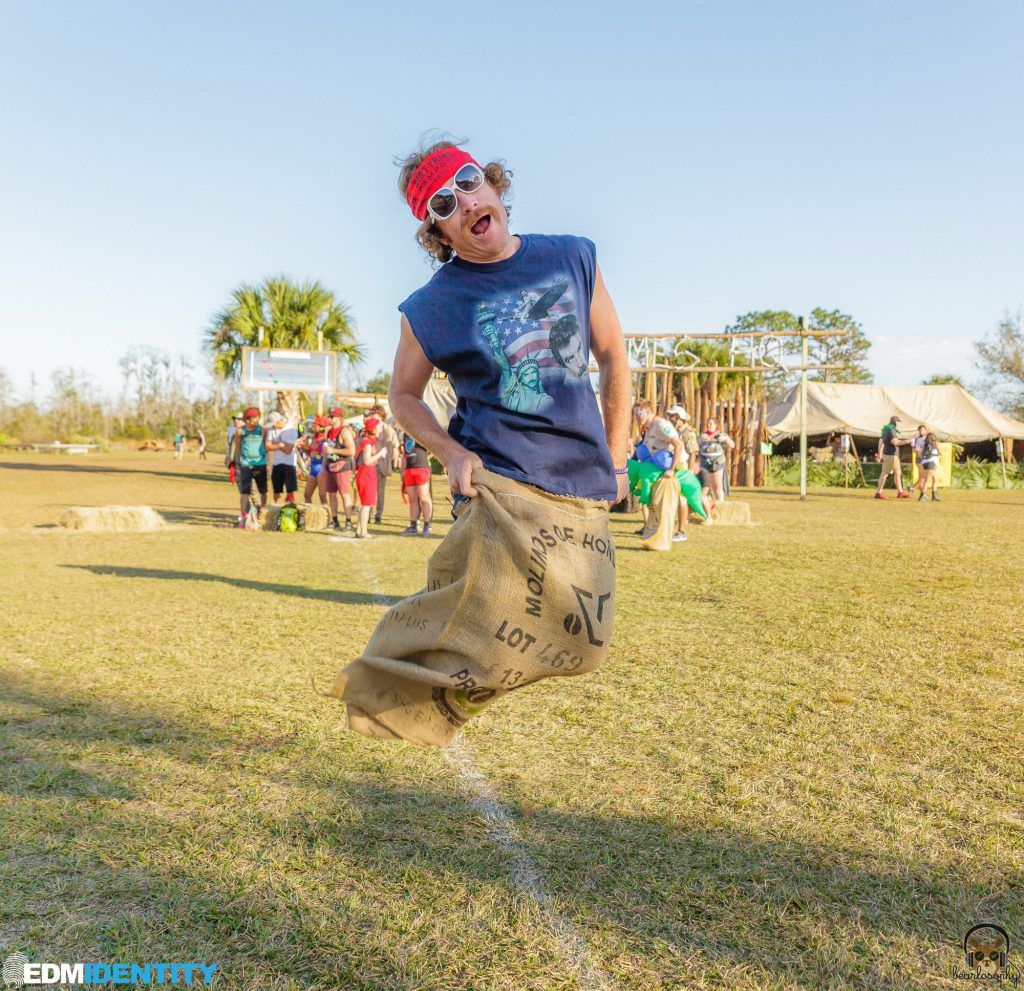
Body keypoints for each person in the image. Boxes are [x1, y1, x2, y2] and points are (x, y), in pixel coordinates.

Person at [334, 138, 629, 743]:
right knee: (478, 614)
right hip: (500, 483)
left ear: (493, 185)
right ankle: (384, 690)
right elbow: (404, 397)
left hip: (579, 484)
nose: (463, 202)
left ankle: (409, 691)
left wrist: (618, 456)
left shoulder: (573, 256)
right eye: (443, 203)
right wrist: (452, 452)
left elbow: (613, 355)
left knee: (587, 643)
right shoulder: (431, 306)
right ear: (438, 231)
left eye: (468, 183)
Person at [632, 401, 689, 541]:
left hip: (676, 465)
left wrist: (672, 469)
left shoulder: (660, 425)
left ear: (647, 412)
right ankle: (655, 529)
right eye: (635, 414)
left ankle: (681, 531)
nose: (636, 417)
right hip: (660, 468)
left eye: (639, 413)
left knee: (681, 499)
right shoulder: (648, 427)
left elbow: (678, 445)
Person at [229, 407, 268, 526]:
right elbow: (238, 445)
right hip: (246, 463)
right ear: (246, 419)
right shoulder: (240, 431)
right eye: (250, 419)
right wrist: (242, 458)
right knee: (244, 491)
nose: (253, 421)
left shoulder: (262, 430)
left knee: (263, 491)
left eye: (256, 418)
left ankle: (263, 511)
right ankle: (243, 514)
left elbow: (266, 445)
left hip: (260, 463)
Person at [322, 407, 356, 530]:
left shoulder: (344, 431)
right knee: (331, 494)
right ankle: (335, 520)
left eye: (332, 416)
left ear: (339, 417)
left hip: (342, 466)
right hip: (330, 466)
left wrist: (334, 450)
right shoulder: (329, 431)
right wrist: (323, 466)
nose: (330, 419)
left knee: (344, 494)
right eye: (329, 416)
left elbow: (351, 451)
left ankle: (348, 522)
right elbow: (326, 451)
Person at [354, 417, 388, 538]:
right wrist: (380, 454)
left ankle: (359, 530)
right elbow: (367, 460)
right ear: (372, 429)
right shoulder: (368, 442)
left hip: (364, 473)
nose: (379, 429)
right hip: (366, 473)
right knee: (366, 504)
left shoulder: (366, 440)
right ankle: (363, 532)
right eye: (377, 427)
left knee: (364, 504)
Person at [371, 406, 400, 525]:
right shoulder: (369, 428)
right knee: (370, 490)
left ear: (381, 415)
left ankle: (378, 515)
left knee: (380, 491)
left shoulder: (388, 429)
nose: (373, 416)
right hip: (371, 462)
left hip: (383, 464)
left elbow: (395, 445)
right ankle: (368, 513)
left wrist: (394, 460)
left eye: (375, 414)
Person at [698, 416, 735, 506]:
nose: (709, 425)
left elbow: (732, 445)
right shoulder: (703, 435)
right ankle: (710, 504)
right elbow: (696, 446)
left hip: (717, 461)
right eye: (707, 424)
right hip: (705, 462)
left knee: (717, 485)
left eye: (711, 423)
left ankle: (721, 505)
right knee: (708, 486)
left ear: (716, 425)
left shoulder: (721, 435)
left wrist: (726, 439)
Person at [401, 433, 433, 536]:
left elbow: (433, 446)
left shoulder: (420, 430)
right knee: (412, 499)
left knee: (424, 497)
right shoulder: (405, 434)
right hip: (409, 469)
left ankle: (427, 526)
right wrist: (402, 470)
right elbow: (405, 454)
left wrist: (426, 458)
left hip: (421, 467)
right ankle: (413, 525)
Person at [266, 411, 299, 504]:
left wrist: (275, 444)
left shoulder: (291, 430)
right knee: (276, 492)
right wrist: (280, 445)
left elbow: (288, 450)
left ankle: (289, 511)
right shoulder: (272, 430)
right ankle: (277, 510)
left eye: (273, 424)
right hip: (276, 463)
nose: (272, 427)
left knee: (290, 491)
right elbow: (267, 446)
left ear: (278, 421)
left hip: (289, 464)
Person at [875, 415, 911, 499]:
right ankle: (878, 493)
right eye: (899, 422)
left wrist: (880, 453)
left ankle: (900, 492)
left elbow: (881, 441)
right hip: (890, 455)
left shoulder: (888, 429)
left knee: (897, 473)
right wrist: (908, 441)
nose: (899, 424)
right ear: (895, 422)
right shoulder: (891, 430)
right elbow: (895, 442)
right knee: (885, 473)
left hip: (893, 455)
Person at [300, 415, 330, 504]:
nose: (313, 426)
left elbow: (325, 455)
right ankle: (308, 514)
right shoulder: (313, 438)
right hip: (313, 470)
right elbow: (310, 453)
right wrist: (302, 448)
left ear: (322, 427)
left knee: (322, 495)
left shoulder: (325, 440)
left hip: (322, 469)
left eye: (316, 425)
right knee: (307, 495)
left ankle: (326, 516)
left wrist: (317, 455)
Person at [917, 432, 941, 501]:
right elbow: (940, 452)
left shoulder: (925, 445)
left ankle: (934, 495)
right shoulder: (935, 443)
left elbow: (919, 455)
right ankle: (922, 495)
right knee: (927, 480)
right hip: (932, 462)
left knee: (935, 478)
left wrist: (925, 457)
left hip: (924, 462)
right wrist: (937, 456)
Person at [225, 413, 243, 486]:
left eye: (238, 419)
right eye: (235, 419)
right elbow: (229, 444)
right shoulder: (231, 430)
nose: (236, 420)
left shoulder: (247, 431)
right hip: (234, 457)